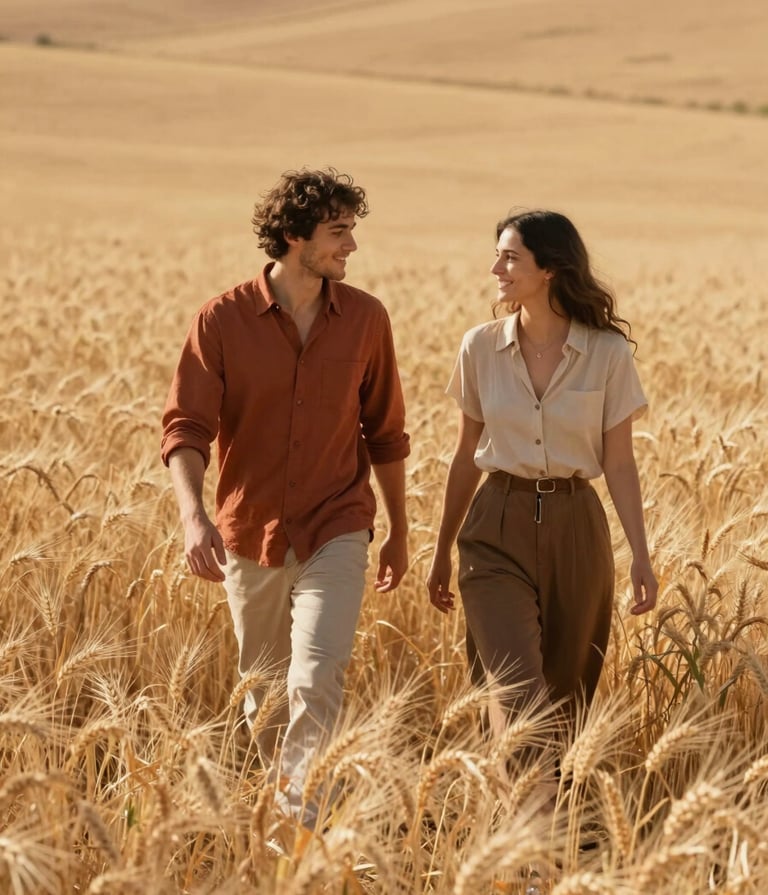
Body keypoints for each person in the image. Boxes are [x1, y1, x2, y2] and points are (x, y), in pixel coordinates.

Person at [161, 168, 410, 836]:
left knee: (317, 672)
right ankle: (279, 826)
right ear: (294, 236)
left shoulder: (365, 319)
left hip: (338, 523)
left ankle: (303, 829)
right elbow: (184, 430)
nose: (351, 247)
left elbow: (386, 433)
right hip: (250, 531)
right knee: (266, 694)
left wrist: (399, 531)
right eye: (338, 232)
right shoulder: (221, 320)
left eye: (352, 231)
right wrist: (193, 515)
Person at [426, 209, 657, 739]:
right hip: (494, 526)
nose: (495, 269)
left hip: (577, 525)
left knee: (565, 693)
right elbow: (465, 454)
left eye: (510, 257)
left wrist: (641, 555)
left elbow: (619, 461)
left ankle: (535, 817)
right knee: (514, 688)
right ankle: (531, 815)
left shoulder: (607, 353)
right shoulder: (479, 346)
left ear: (550, 269)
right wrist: (441, 550)